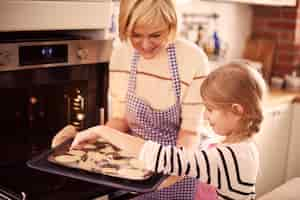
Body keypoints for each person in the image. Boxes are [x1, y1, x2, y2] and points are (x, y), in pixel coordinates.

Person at [52, 0, 209, 199]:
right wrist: (90, 142)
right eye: (136, 35)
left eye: (155, 35)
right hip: (128, 166)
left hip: (175, 166)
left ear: (171, 27)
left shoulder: (192, 59)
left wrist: (173, 170)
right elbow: (121, 120)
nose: (145, 45)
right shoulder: (122, 54)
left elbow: (190, 132)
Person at [71, 62, 267, 200]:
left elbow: (167, 158)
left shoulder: (232, 157)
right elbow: (182, 167)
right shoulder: (239, 148)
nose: (206, 117)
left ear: (236, 110)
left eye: (210, 109)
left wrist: (103, 131)